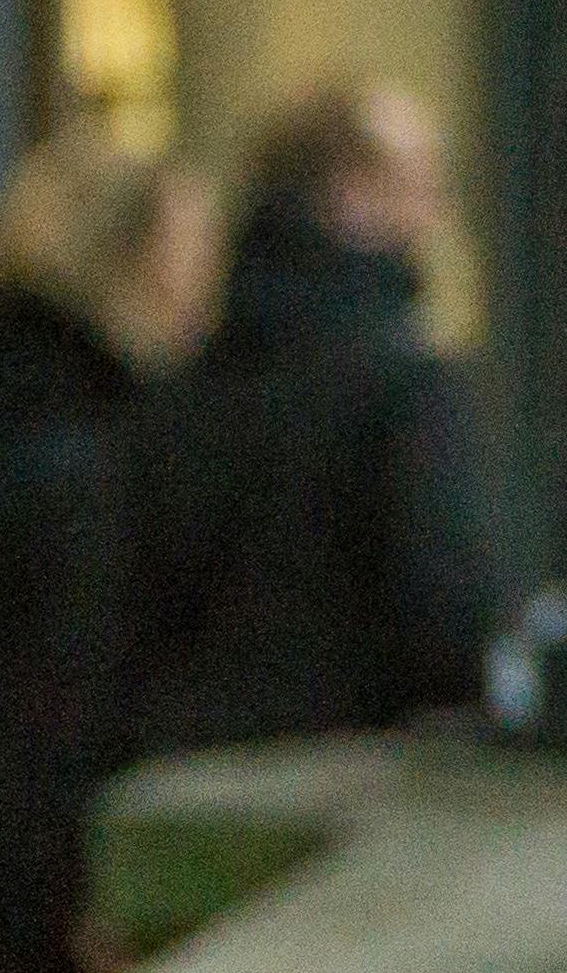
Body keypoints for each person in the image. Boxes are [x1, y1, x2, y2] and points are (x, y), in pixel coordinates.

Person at [0, 124, 220, 973]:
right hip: (60, 902)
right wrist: (100, 887)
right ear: (134, 265)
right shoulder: (99, 456)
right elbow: (87, 696)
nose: (205, 286)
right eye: (189, 253)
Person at [118, 79, 508, 760]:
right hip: (351, 786)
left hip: (181, 783)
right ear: (351, 194)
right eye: (416, 182)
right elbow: (445, 616)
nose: (435, 212)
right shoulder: (400, 384)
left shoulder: (183, 380)